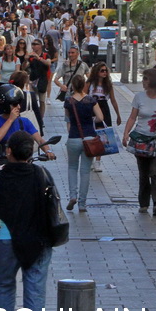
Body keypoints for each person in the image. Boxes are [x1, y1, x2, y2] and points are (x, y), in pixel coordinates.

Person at [0, 131, 53, 311]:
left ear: (9, 150)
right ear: (30, 152)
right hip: (37, 241)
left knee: (3, 285)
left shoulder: (1, 176)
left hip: (7, 240)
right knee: (35, 291)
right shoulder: (40, 174)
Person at [122, 68, 156, 216]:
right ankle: (144, 203)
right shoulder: (139, 97)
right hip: (142, 138)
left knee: (155, 171)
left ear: (153, 81)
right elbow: (133, 117)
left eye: (145, 79)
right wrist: (126, 133)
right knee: (144, 173)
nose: (143, 81)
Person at [64, 74, 104, 212]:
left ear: (73, 86)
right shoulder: (91, 100)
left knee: (72, 168)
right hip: (89, 138)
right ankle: (82, 203)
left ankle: (72, 196)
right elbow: (100, 117)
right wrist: (90, 122)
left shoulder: (68, 101)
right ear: (84, 85)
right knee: (85, 172)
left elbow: (68, 120)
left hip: (74, 137)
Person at [0, 85, 56, 157]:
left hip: (23, 161)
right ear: (5, 105)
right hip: (2, 161)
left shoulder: (24, 122)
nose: (19, 107)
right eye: (15, 104)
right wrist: (10, 120)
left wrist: (48, 150)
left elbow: (39, 140)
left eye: (19, 104)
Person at [86, 62, 122, 173]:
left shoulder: (108, 85)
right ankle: (91, 158)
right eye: (102, 70)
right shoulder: (90, 83)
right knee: (91, 134)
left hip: (103, 107)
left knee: (102, 135)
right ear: (96, 72)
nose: (104, 72)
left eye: (106, 70)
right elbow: (83, 95)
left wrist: (118, 115)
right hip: (91, 106)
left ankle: (98, 161)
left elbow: (113, 100)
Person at [10, 70, 44, 134]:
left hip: (11, 128)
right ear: (25, 83)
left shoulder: (8, 95)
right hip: (27, 130)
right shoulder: (30, 95)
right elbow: (37, 114)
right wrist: (41, 130)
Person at [25, 40, 52, 118]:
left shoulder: (45, 55)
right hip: (32, 81)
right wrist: (26, 60)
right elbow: (24, 67)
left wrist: (39, 58)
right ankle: (34, 117)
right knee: (32, 100)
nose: (33, 46)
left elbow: (48, 63)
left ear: (40, 45)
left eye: (36, 44)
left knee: (42, 101)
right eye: (32, 44)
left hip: (42, 81)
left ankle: (41, 118)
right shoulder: (30, 56)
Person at [44, 35, 59, 104]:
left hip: (51, 65)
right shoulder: (42, 47)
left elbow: (57, 58)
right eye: (44, 39)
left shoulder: (53, 48)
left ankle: (48, 97)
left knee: (49, 81)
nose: (45, 40)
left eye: (46, 39)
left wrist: (50, 60)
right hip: (43, 65)